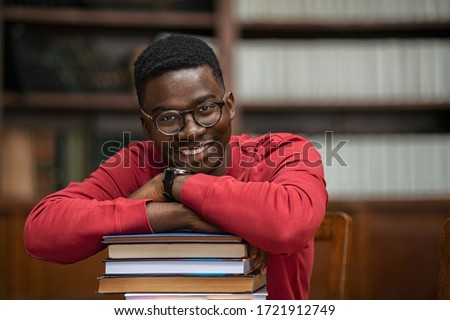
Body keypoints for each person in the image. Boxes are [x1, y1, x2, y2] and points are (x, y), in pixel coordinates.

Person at [24, 34, 328, 300]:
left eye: (206, 109)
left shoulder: (283, 152)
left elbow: (291, 225)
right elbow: (42, 233)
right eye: (168, 118)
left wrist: (173, 185)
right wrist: (179, 215)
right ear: (146, 125)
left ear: (230, 105)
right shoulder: (138, 163)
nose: (192, 131)